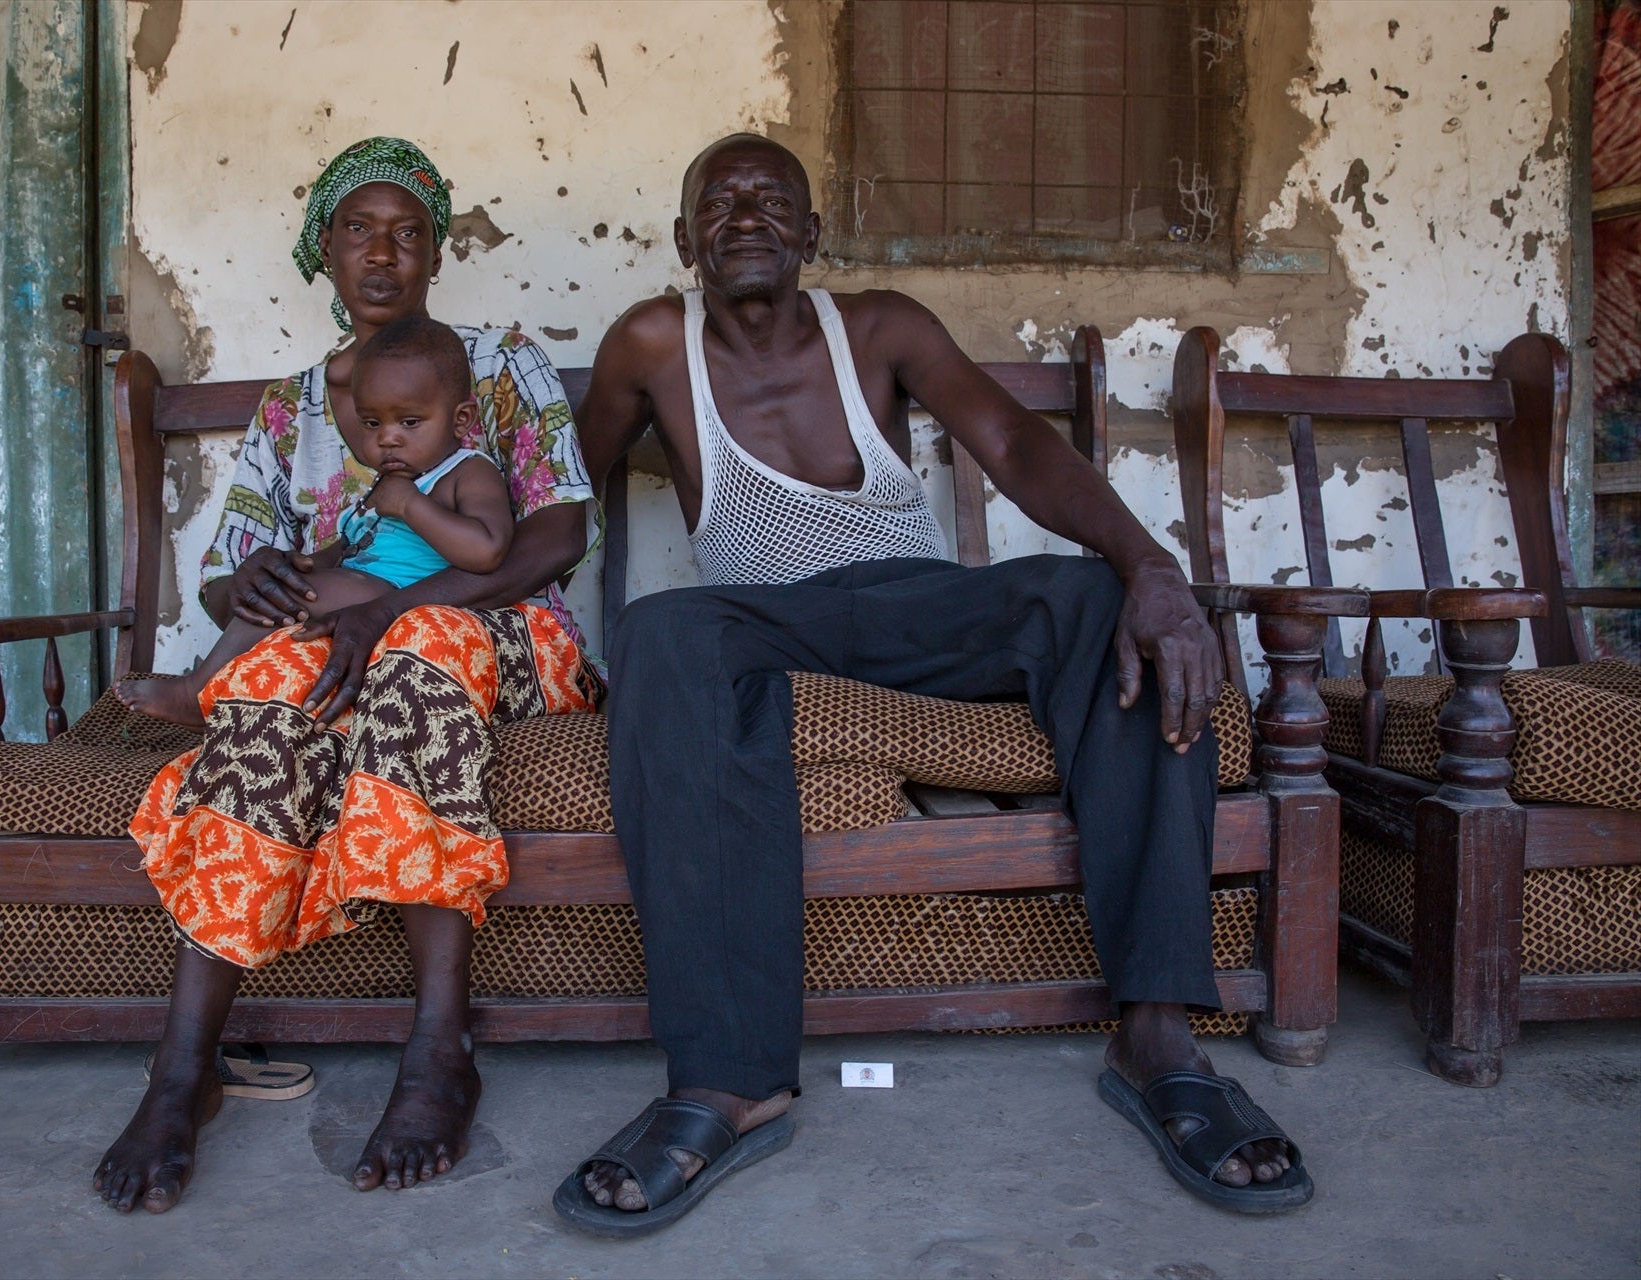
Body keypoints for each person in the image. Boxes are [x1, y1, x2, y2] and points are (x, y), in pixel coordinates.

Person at [557, 133, 1312, 1235]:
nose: (748, 217)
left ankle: (1157, 1036)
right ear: (683, 242)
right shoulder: (647, 347)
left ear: (815, 235)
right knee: (663, 632)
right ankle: (728, 1076)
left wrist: (1151, 567)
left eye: (775, 202)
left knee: (1102, 602)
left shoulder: (879, 325)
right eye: (719, 205)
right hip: (771, 623)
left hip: (918, 604)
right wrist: (440, 592)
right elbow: (556, 499)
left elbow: (1008, 439)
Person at [93, 136, 601, 1214]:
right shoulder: (289, 408)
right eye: (360, 230)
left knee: (413, 661)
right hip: (335, 636)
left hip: (491, 628)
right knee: (268, 707)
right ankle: (183, 1066)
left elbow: (556, 536)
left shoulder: (498, 364)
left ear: (434, 251)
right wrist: (265, 581)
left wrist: (393, 606)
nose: (386, 251)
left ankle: (437, 1052)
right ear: (322, 247)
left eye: (409, 231)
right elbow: (231, 583)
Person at [113, 316, 517, 727]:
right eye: (372, 423)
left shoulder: (468, 472)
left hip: (408, 599)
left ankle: (194, 690)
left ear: (461, 420)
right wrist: (302, 565)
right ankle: (228, 693)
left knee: (307, 595)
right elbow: (349, 545)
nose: (388, 438)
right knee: (285, 592)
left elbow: (488, 549)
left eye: (409, 422)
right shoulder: (388, 484)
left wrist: (411, 506)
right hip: (363, 594)